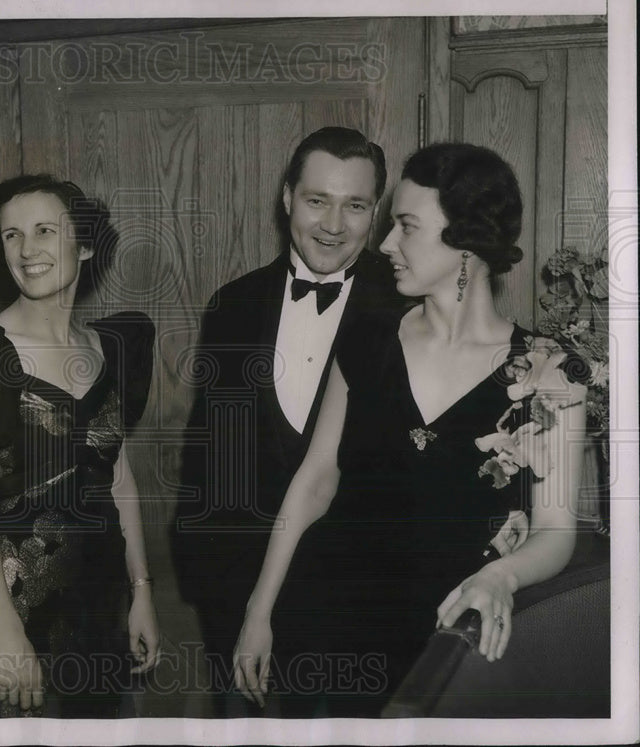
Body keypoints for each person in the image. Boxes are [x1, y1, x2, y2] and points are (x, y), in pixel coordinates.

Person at [232, 142, 588, 717]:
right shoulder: (368, 338)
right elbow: (316, 480)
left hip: (448, 634)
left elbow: (556, 530)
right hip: (327, 623)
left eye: (405, 226)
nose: (386, 244)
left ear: (465, 241)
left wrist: (500, 577)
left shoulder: (553, 371)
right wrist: (259, 610)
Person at [172, 126, 401, 715]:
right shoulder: (233, 304)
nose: (333, 224)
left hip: (363, 605)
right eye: (316, 200)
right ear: (286, 198)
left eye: (355, 205)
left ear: (376, 211)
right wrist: (215, 591)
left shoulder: (409, 309)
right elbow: (209, 456)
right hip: (239, 597)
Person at [0, 175, 160, 717]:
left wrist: (141, 588)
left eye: (44, 231)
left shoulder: (116, 347)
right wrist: (7, 636)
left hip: (101, 602)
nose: (26, 250)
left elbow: (117, 476)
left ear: (84, 243)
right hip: (12, 607)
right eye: (11, 235)